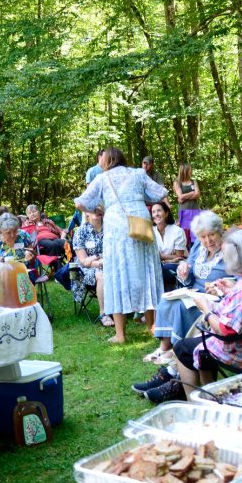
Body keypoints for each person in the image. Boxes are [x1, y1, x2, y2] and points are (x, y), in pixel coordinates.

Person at [135, 230, 242, 403]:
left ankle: (196, 401)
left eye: (227, 255)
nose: (226, 259)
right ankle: (205, 391)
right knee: (197, 336)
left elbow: (226, 330)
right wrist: (232, 290)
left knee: (183, 348)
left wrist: (206, 309)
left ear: (241, 256)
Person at [75, 146, 168, 344]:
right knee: (147, 271)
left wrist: (99, 209)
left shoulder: (102, 178)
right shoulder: (138, 173)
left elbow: (81, 203)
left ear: (108, 161)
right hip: (139, 222)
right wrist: (140, 199)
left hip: (116, 225)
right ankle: (152, 326)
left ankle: (120, 334)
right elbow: (160, 193)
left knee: (117, 274)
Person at [145, 211, 228, 367]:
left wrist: (220, 288)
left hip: (215, 297)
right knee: (166, 300)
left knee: (183, 307)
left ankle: (176, 350)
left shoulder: (229, 250)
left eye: (212, 235)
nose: (208, 240)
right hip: (193, 292)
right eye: (203, 237)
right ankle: (164, 347)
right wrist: (184, 272)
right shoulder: (198, 246)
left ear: (220, 232)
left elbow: (236, 279)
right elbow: (189, 276)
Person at [72, 206, 108, 326]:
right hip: (86, 270)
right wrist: (99, 261)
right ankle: (104, 313)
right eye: (92, 209)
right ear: (86, 213)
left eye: (98, 208)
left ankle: (136, 310)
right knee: (101, 274)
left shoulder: (110, 229)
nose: (96, 211)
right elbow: (83, 261)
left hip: (109, 264)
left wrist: (94, 258)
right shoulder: (80, 232)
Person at [152, 202, 188, 289]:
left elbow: (179, 256)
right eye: (153, 212)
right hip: (158, 264)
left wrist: (160, 255)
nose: (156, 214)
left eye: (159, 211)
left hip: (176, 264)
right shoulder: (151, 231)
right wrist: (167, 257)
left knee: (164, 269)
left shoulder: (177, 231)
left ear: (166, 213)